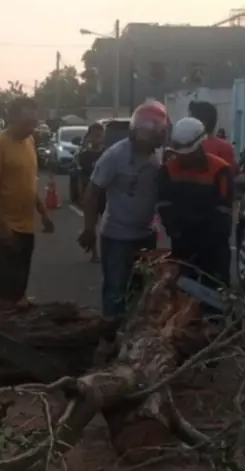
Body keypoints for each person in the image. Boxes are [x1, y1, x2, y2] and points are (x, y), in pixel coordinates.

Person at [78, 101, 168, 329]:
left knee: (143, 291)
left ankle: (133, 337)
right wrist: (89, 228)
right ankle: (109, 339)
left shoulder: (159, 158)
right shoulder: (114, 156)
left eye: (152, 138)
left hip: (146, 234)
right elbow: (92, 192)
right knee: (115, 290)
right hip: (117, 236)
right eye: (143, 137)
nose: (146, 144)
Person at [0, 97, 54, 314]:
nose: (31, 127)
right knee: (7, 291)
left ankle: (18, 328)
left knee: (20, 287)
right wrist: (3, 227)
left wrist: (44, 214)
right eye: (26, 122)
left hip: (25, 227)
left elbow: (28, 184)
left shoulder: (29, 142)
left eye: (34, 122)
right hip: (1, 229)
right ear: (12, 118)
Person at [158, 117, 234, 301]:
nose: (183, 157)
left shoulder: (220, 170)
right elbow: (164, 205)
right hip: (182, 245)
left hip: (214, 248)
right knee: (182, 299)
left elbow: (223, 212)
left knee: (216, 299)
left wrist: (206, 242)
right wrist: (176, 233)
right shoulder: (168, 170)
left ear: (200, 145)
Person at [76, 123, 105, 262]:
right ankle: (94, 253)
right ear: (89, 137)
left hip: (105, 194)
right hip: (91, 194)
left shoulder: (107, 154)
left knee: (107, 224)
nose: (97, 139)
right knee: (91, 225)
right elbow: (82, 177)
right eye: (95, 136)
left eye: (100, 136)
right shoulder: (84, 156)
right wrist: (82, 195)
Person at [188, 101, 235, 166]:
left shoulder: (185, 148)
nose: (187, 123)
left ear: (203, 122)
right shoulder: (225, 147)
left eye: (190, 119)